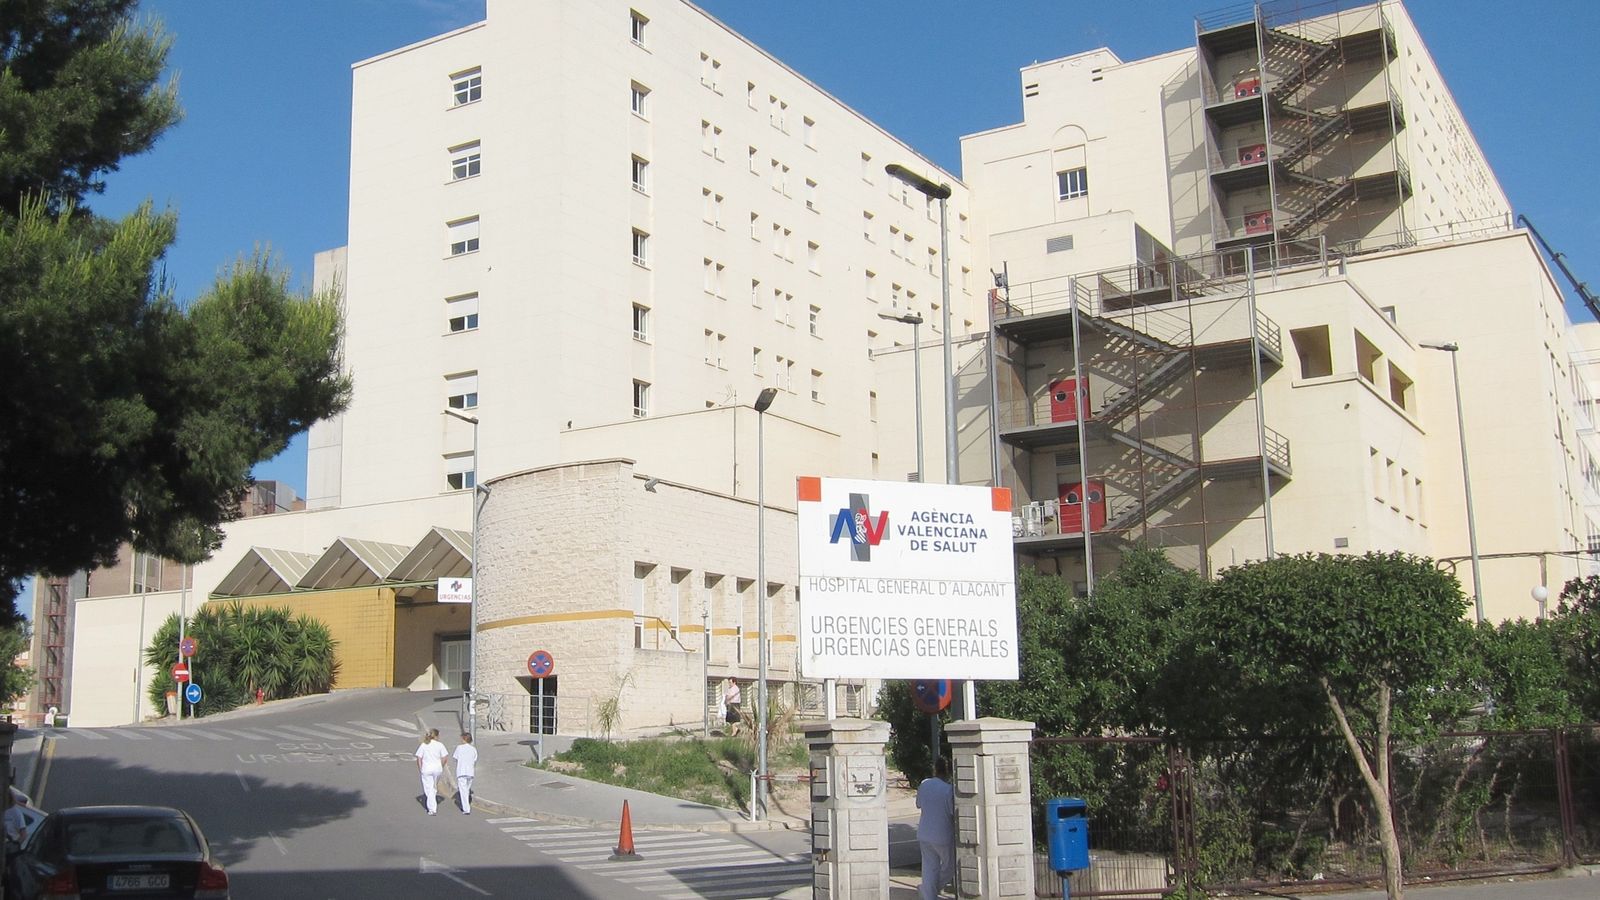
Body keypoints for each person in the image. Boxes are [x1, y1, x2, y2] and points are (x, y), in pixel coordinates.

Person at [917, 756, 956, 900]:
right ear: (948, 772)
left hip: (924, 833)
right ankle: (930, 890)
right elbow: (953, 812)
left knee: (928, 867)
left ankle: (928, 893)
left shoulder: (924, 784)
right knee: (949, 867)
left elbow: (919, 804)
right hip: (943, 834)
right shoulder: (949, 790)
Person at [414, 728, 449, 816]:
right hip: (437, 769)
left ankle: (432, 809)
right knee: (433, 787)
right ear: (436, 736)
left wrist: (420, 768)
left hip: (426, 769)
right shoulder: (440, 745)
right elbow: (445, 758)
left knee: (428, 789)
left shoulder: (424, 745)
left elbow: (419, 758)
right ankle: (432, 804)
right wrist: (440, 765)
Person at [452, 732, 478, 815]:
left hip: (461, 772)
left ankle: (466, 809)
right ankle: (466, 805)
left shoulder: (459, 748)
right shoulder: (473, 749)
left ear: (464, 739)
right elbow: (475, 759)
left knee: (463, 791)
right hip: (470, 772)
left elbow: (455, 758)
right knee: (466, 790)